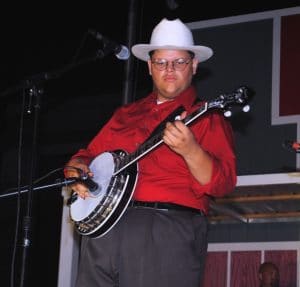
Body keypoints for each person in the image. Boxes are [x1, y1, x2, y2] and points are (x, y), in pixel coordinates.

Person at [64, 18, 237, 287]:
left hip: (165, 230)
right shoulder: (125, 113)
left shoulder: (207, 117)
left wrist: (191, 151)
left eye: (179, 62)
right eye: (161, 62)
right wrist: (76, 169)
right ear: (149, 66)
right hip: (105, 227)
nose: (169, 69)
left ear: (193, 65)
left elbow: (222, 183)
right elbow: (87, 155)